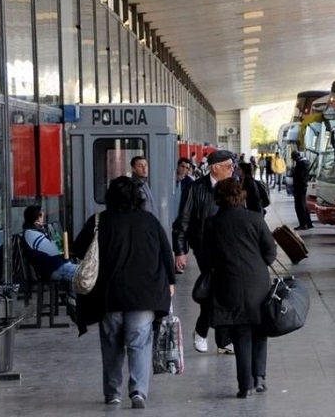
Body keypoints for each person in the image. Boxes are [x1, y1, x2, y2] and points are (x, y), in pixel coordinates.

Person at [71, 176, 175, 409]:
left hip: (109, 294)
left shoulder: (99, 221)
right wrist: (170, 281)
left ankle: (113, 393)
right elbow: (166, 254)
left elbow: (78, 249)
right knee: (139, 343)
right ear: (138, 197)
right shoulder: (149, 221)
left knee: (111, 344)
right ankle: (138, 392)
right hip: (144, 294)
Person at [205, 178, 277, 398]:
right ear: (241, 195)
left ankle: (244, 385)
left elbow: (207, 257)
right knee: (260, 330)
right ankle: (260, 378)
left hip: (228, 283)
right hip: (257, 282)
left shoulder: (213, 224)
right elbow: (270, 253)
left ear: (218, 198)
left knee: (240, 334)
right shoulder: (255, 219)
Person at [171, 149, 236, 354]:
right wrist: (180, 251)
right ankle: (208, 334)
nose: (232, 169)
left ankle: (215, 337)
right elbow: (182, 222)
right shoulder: (195, 189)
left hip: (229, 247)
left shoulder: (234, 187)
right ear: (215, 168)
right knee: (218, 288)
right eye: (228, 166)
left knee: (221, 291)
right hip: (204, 248)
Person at [22, 205, 77, 282]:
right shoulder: (31, 234)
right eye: (42, 217)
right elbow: (54, 251)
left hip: (56, 266)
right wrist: (55, 241)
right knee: (87, 274)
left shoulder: (32, 232)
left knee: (88, 272)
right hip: (54, 268)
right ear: (36, 220)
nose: (44, 220)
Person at [291, 151, 313, 230]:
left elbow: (298, 176)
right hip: (303, 186)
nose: (293, 159)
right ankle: (308, 223)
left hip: (299, 187)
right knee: (303, 204)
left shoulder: (300, 164)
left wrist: (293, 172)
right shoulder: (305, 162)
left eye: (293, 157)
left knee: (299, 206)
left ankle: (303, 224)